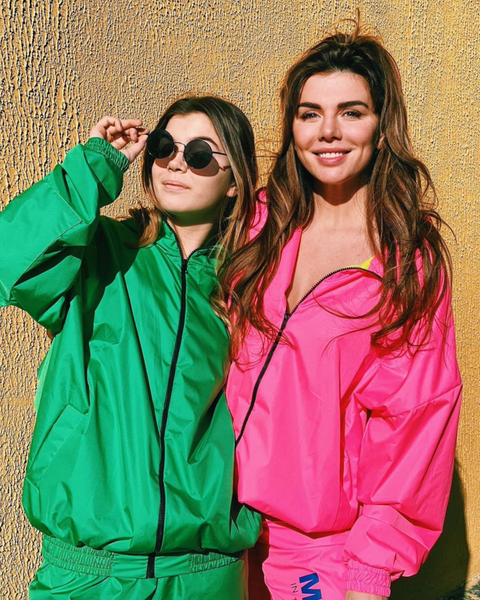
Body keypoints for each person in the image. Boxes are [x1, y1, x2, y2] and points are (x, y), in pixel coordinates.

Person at [221, 19, 462, 600]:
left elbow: (416, 421)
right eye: (310, 114)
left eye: (351, 112)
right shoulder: (258, 225)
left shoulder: (405, 260)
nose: (328, 131)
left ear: (382, 126)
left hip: (319, 552)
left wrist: (368, 572)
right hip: (216, 533)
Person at [0, 96, 262, 599]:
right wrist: (96, 166)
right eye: (164, 146)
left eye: (200, 153)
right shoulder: (99, 254)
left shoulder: (251, 283)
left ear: (235, 181)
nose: (176, 162)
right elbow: (9, 261)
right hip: (89, 574)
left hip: (206, 574)